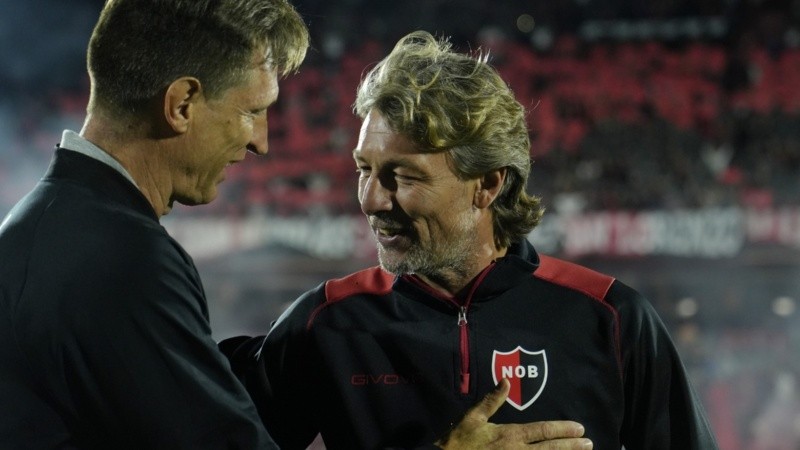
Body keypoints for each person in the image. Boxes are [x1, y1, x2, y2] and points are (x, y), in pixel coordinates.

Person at [221, 30, 720, 449]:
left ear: (488, 184)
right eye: (364, 170)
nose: (372, 200)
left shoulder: (611, 319)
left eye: (404, 177)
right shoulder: (327, 322)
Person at [0, 0, 308, 448]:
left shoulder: (35, 227)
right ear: (181, 104)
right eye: (252, 111)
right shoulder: (124, 259)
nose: (260, 141)